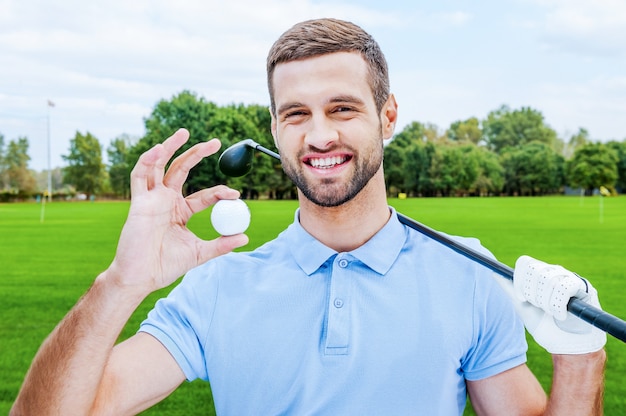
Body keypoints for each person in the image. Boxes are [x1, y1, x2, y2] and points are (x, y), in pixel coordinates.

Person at [11, 18, 606, 415]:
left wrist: (580, 354)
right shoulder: (216, 289)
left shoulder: (471, 272)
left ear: (388, 115)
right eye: (295, 114)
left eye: (342, 107)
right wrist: (121, 283)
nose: (320, 135)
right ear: (274, 128)